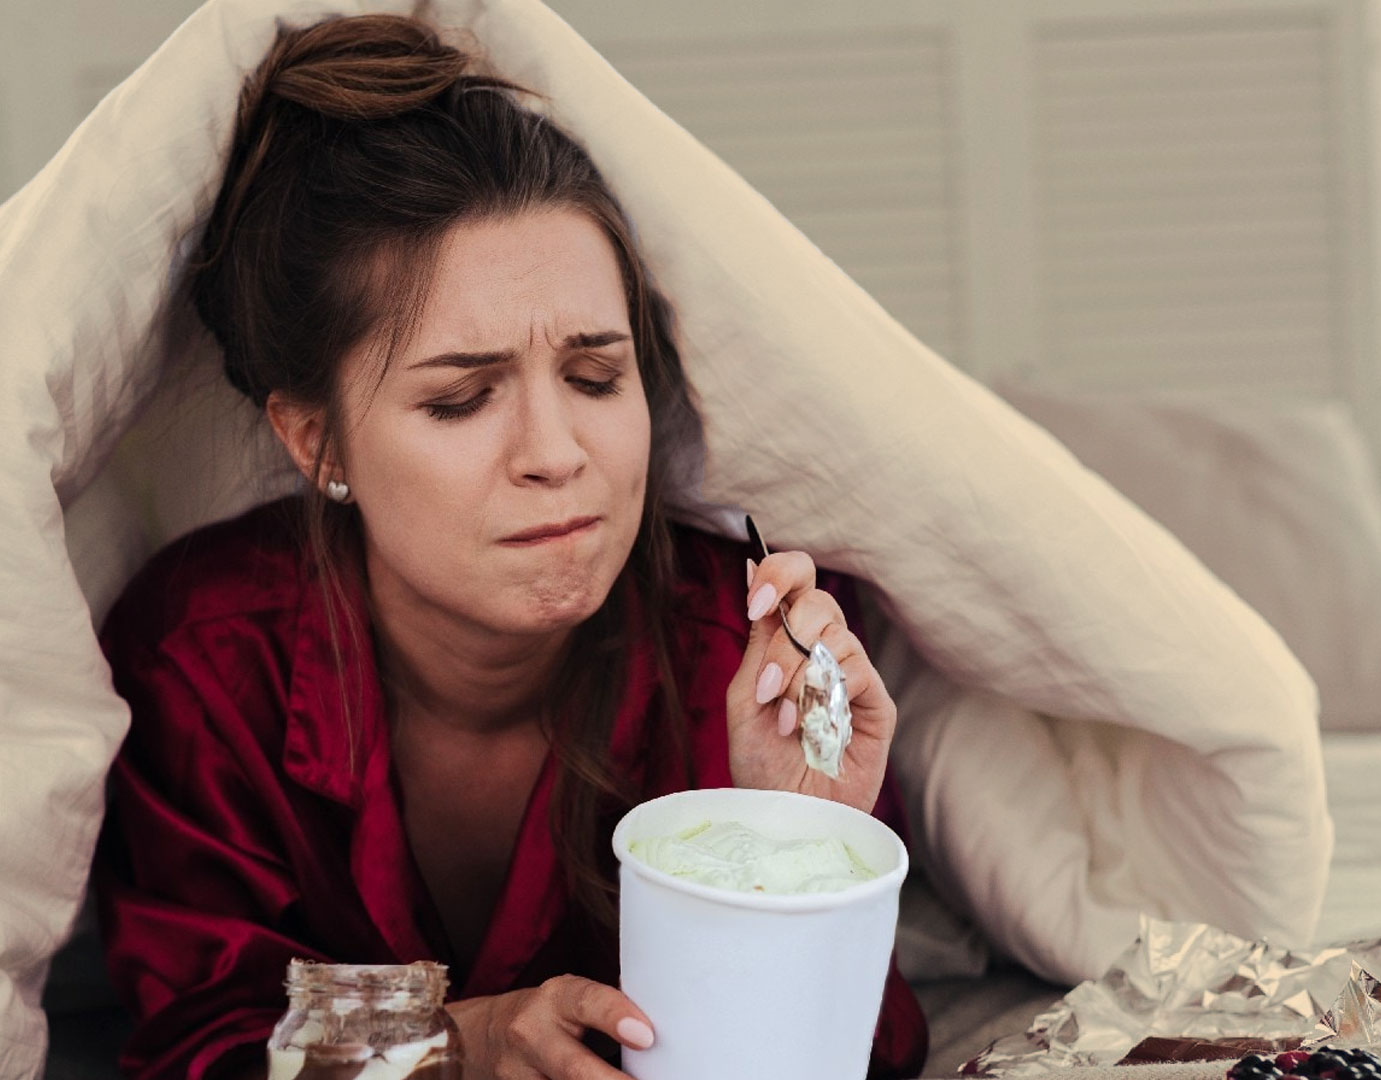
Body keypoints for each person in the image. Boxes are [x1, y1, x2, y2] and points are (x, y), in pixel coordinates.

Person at [91, 13, 927, 1080]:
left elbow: (879, 1046)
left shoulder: (745, 654)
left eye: (594, 379)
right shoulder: (206, 660)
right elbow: (192, 1050)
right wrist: (453, 1046)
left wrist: (796, 846)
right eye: (459, 400)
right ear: (314, 440)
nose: (555, 453)